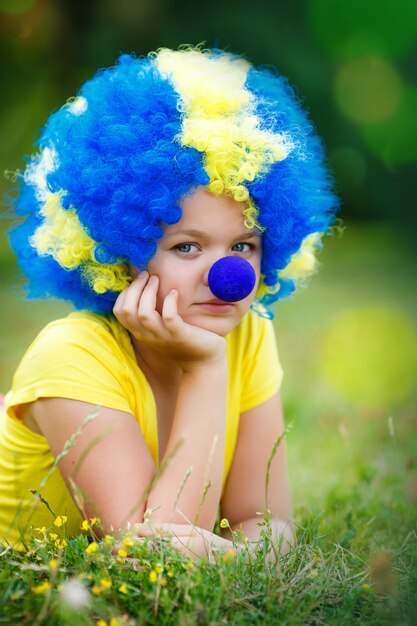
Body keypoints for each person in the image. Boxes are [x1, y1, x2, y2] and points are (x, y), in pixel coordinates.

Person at [0, 46, 339, 558]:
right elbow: (154, 554)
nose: (227, 277)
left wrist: (231, 552)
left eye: (242, 246)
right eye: (187, 246)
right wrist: (205, 367)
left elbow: (263, 520)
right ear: (122, 254)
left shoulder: (247, 335)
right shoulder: (71, 355)